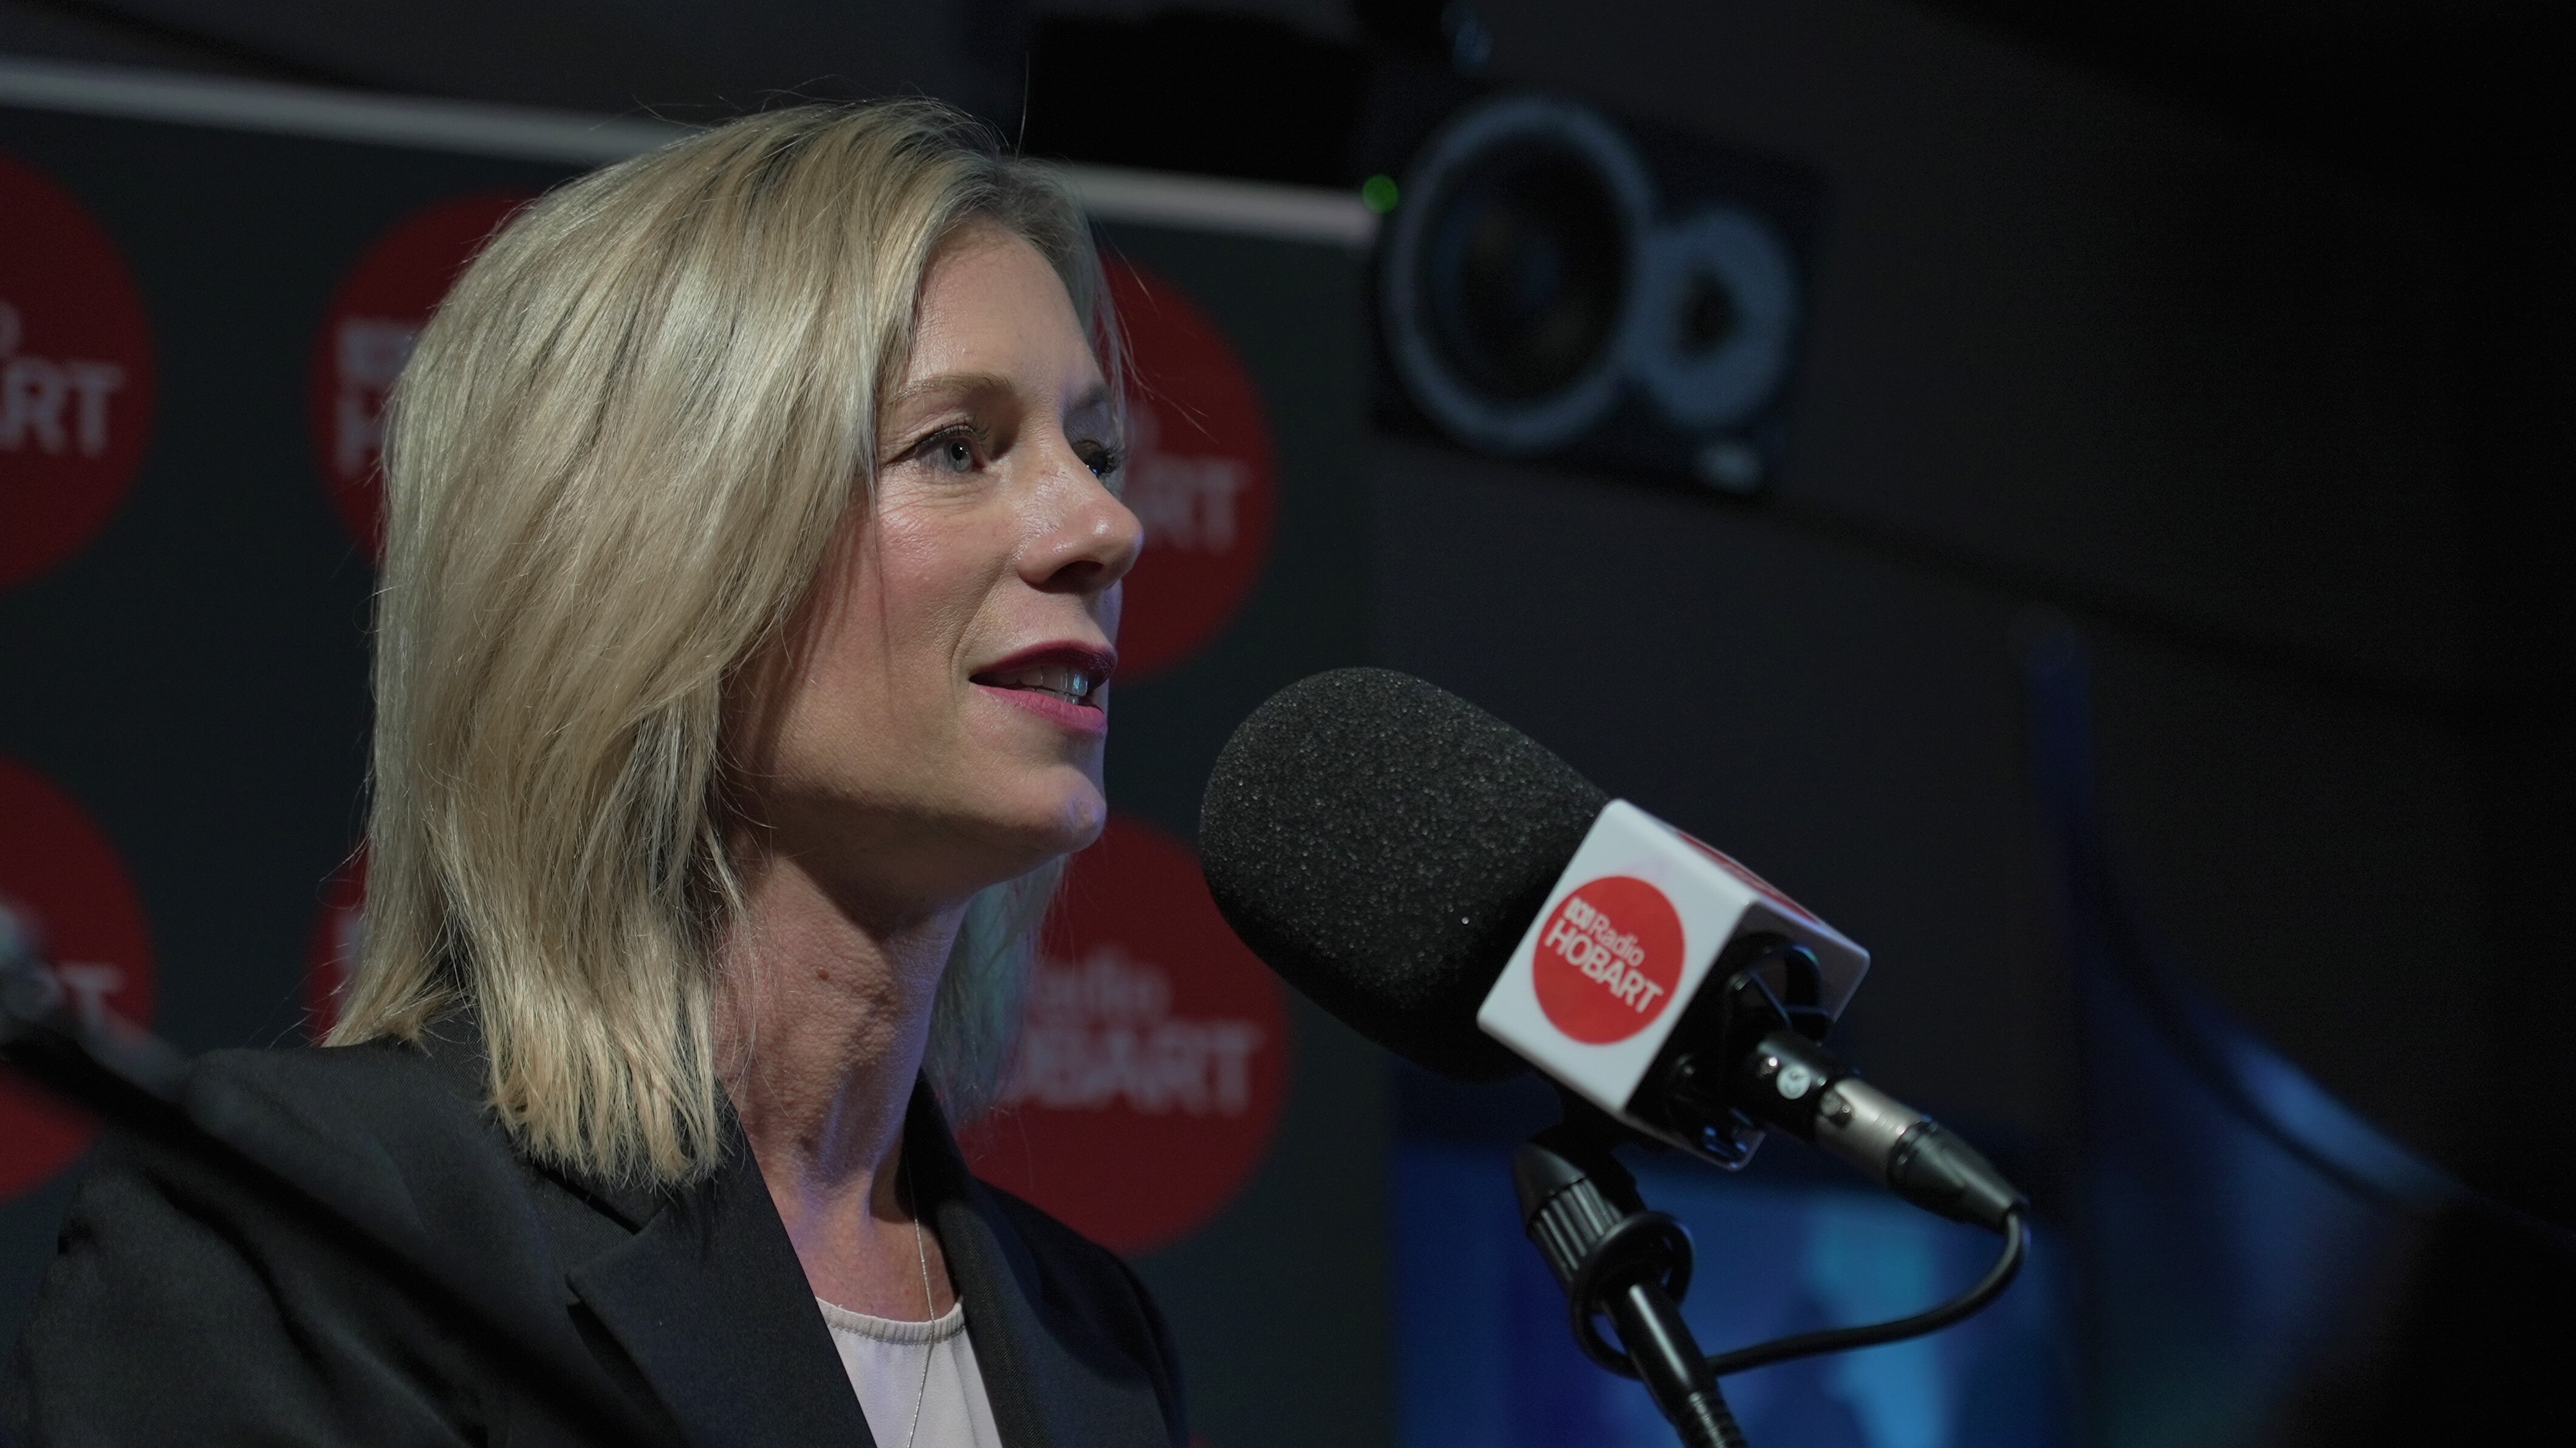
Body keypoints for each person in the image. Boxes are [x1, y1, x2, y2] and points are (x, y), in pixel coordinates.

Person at [4, 101, 1177, 1447]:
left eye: (1092, 450)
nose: (1106, 525)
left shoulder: (1094, 1345)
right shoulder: (315, 1225)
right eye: (955, 447)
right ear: (652, 562)